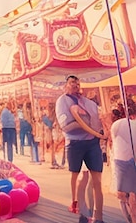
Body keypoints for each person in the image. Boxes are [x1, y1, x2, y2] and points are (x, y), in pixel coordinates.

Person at [56, 75, 106, 223]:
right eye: (72, 82)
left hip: (92, 144)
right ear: (66, 85)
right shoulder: (62, 102)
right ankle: (82, 213)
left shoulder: (89, 103)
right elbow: (67, 126)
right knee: (80, 177)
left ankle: (99, 216)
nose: (75, 85)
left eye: (77, 83)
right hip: (75, 144)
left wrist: (97, 130)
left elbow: (97, 122)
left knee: (97, 180)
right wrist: (87, 126)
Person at [110, 99, 136, 223]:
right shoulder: (122, 125)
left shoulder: (117, 125)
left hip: (121, 162)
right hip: (127, 161)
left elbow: (113, 142)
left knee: (125, 194)